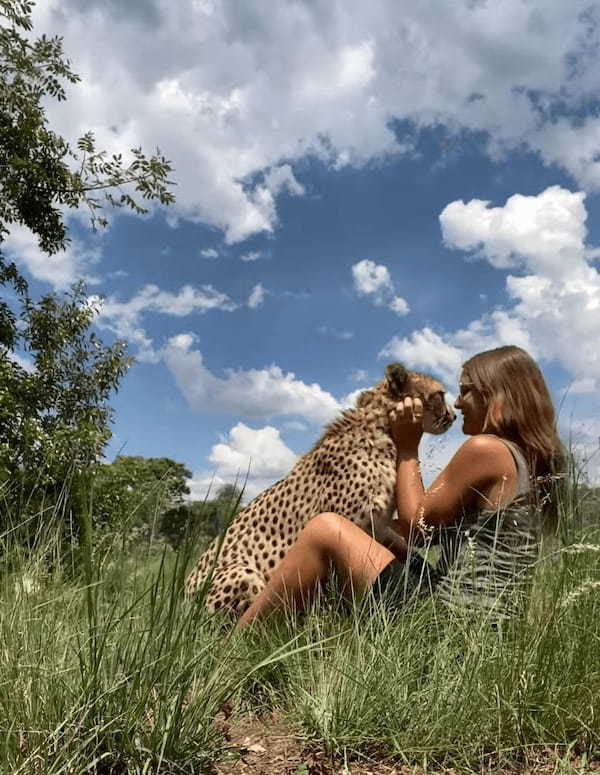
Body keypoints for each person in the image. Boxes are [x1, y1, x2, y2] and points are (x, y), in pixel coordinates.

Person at [238, 345, 564, 628]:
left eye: (465, 391)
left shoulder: (486, 449)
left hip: (449, 625)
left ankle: (230, 658)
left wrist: (408, 448)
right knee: (379, 538)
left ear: (495, 396)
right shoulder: (527, 460)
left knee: (327, 528)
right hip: (486, 628)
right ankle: (317, 632)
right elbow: (421, 536)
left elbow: (417, 523)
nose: (458, 403)